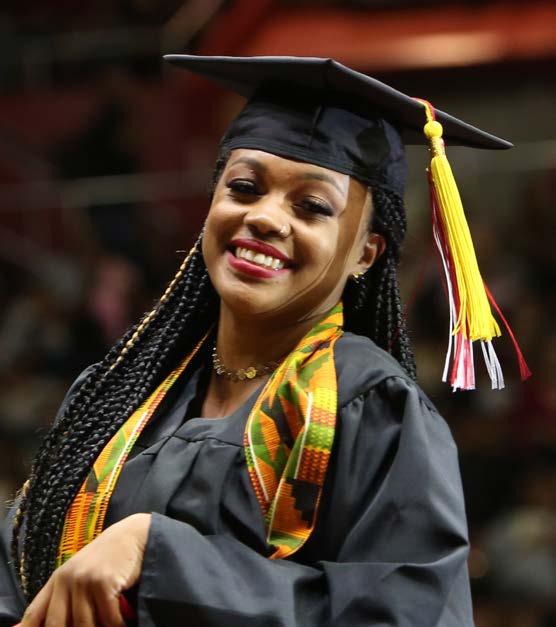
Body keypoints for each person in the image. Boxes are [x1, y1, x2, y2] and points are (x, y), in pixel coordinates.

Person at [0, 55, 514, 627]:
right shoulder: (118, 392)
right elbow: (21, 563)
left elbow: (402, 615)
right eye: (244, 187)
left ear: (365, 253)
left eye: (312, 207)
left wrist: (161, 555)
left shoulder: (371, 408)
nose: (266, 217)